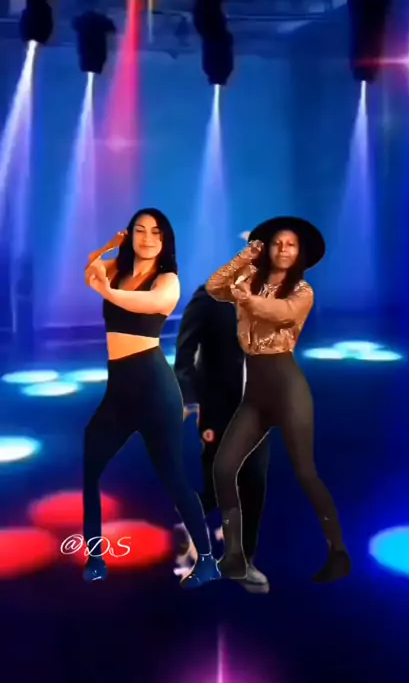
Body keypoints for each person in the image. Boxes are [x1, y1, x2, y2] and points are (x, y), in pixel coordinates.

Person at [205, 217, 351, 584]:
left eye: (291, 245)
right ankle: (234, 555)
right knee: (224, 468)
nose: (283, 250)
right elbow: (214, 287)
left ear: (300, 253)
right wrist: (245, 256)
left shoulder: (302, 290)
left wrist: (246, 298)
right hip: (255, 392)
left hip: (287, 386)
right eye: (277, 243)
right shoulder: (248, 280)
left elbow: (279, 313)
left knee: (306, 472)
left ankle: (338, 552)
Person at [83, 208, 220, 588]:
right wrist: (108, 248)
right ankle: (95, 557)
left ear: (165, 240)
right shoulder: (118, 269)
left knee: (173, 477)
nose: (146, 238)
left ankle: (207, 561)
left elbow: (144, 304)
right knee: (90, 467)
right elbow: (89, 269)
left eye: (155, 232)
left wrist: (105, 290)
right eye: (139, 231)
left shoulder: (167, 280)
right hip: (118, 391)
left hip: (154, 390)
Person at [175, 284, 270, 593]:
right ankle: (192, 533)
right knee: (219, 484)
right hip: (217, 410)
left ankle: (241, 561)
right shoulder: (210, 296)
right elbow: (184, 353)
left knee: (254, 483)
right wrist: (190, 400)